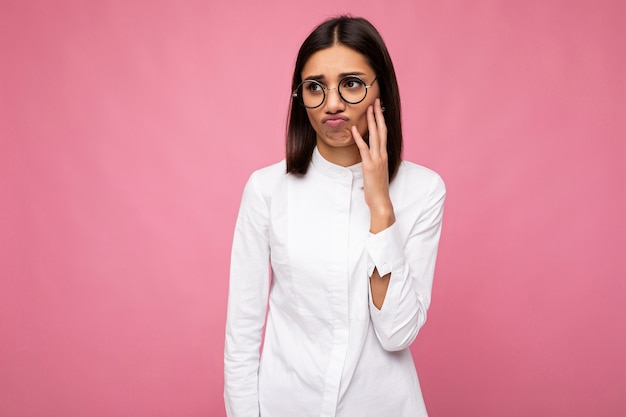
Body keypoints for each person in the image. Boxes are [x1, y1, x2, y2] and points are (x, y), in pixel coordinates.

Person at [224, 16, 446, 417]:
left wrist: (380, 206)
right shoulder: (266, 189)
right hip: (287, 405)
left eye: (352, 83)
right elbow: (242, 334)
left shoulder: (424, 190)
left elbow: (397, 333)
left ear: (382, 89)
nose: (332, 104)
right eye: (315, 87)